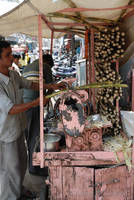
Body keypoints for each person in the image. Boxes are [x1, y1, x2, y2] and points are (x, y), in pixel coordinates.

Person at [0, 40, 65, 200]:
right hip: (6, 133)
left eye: (11, 53)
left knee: (21, 164)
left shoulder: (13, 74)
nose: (12, 57)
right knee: (10, 169)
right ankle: (9, 196)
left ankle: (19, 191)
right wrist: (36, 103)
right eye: (7, 55)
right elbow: (11, 109)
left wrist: (52, 87)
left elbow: (30, 84)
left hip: (18, 128)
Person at [22, 54, 54, 176]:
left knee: (28, 136)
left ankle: (32, 165)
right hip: (33, 105)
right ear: (48, 62)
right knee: (35, 137)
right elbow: (51, 87)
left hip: (23, 105)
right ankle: (34, 168)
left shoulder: (27, 66)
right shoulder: (45, 66)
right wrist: (44, 101)